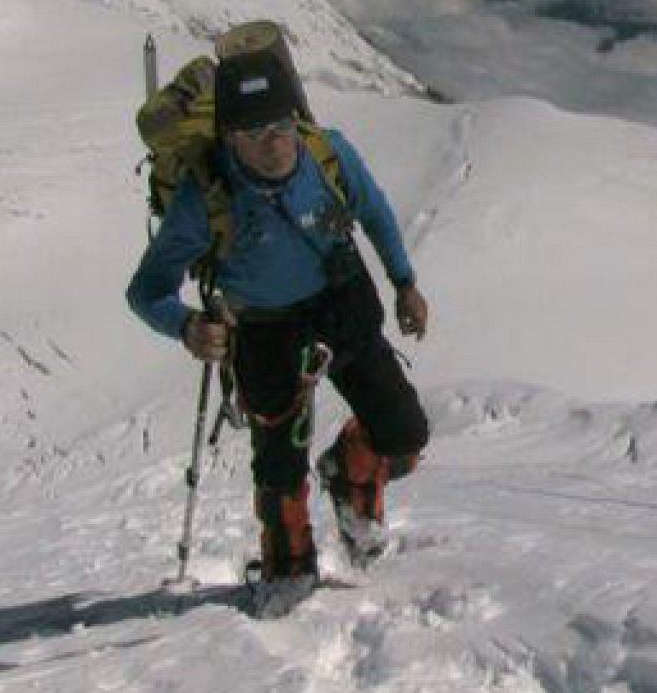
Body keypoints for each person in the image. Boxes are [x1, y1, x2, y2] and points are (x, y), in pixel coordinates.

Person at [126, 44, 430, 616]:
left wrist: (404, 281)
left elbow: (376, 211)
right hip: (266, 336)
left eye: (283, 124)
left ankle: (349, 472)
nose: (276, 141)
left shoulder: (328, 154)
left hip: (344, 307)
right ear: (229, 137)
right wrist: (188, 326)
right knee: (279, 469)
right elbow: (145, 292)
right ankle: (289, 564)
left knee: (405, 434)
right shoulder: (204, 200)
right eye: (256, 130)